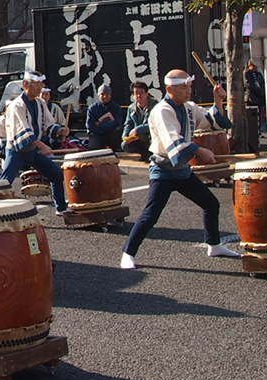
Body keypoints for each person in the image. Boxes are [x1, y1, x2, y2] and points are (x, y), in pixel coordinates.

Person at [119, 70, 240, 269]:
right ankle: (128, 253)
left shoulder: (188, 107)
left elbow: (211, 121)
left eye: (189, 86)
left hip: (183, 171)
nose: (188, 90)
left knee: (211, 204)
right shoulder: (162, 110)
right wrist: (200, 150)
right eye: (183, 87)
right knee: (151, 215)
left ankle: (214, 245)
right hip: (163, 170)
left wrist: (218, 101)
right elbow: (173, 141)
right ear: (170, 89)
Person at [0, 70, 70, 211]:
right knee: (4, 183)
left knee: (56, 174)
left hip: (32, 151)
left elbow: (48, 124)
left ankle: (61, 208)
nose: (39, 87)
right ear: (25, 84)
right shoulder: (16, 105)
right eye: (36, 84)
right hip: (16, 151)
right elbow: (23, 130)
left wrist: (61, 130)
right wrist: (42, 145)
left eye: (41, 84)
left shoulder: (40, 103)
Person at [121, 81, 155, 161]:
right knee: (124, 145)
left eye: (141, 93)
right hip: (138, 138)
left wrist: (137, 129)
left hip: (152, 136)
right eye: (136, 93)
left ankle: (152, 154)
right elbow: (128, 124)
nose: (139, 95)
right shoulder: (131, 108)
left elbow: (155, 125)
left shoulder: (156, 106)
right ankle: (144, 153)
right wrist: (125, 136)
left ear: (147, 94)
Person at [85, 84, 124, 152]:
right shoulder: (92, 108)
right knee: (93, 149)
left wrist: (99, 124)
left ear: (110, 95)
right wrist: (107, 126)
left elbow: (118, 123)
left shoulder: (116, 107)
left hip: (112, 135)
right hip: (97, 135)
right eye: (102, 94)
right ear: (98, 95)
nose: (105, 96)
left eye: (107, 94)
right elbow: (89, 125)